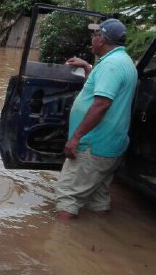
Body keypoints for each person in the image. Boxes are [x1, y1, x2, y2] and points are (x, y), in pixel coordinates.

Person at [55, 18, 138, 219]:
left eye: (95, 35)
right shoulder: (122, 61)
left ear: (101, 39)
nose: (92, 39)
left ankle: (60, 244)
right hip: (111, 145)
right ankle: (99, 242)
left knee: (67, 198)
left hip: (92, 146)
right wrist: (86, 67)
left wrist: (76, 137)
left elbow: (101, 104)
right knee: (98, 200)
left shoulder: (111, 65)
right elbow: (103, 87)